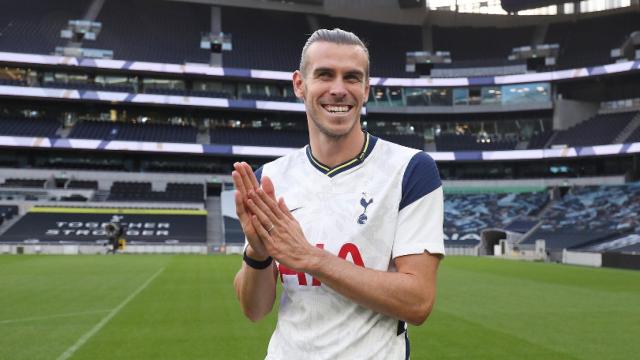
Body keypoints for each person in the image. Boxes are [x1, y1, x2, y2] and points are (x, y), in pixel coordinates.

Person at [232, 28, 444, 360]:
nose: (338, 90)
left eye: (352, 78)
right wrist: (258, 253)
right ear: (299, 84)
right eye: (325, 75)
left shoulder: (410, 170)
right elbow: (255, 310)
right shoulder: (270, 180)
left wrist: (313, 259)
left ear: (366, 89)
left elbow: (417, 302)